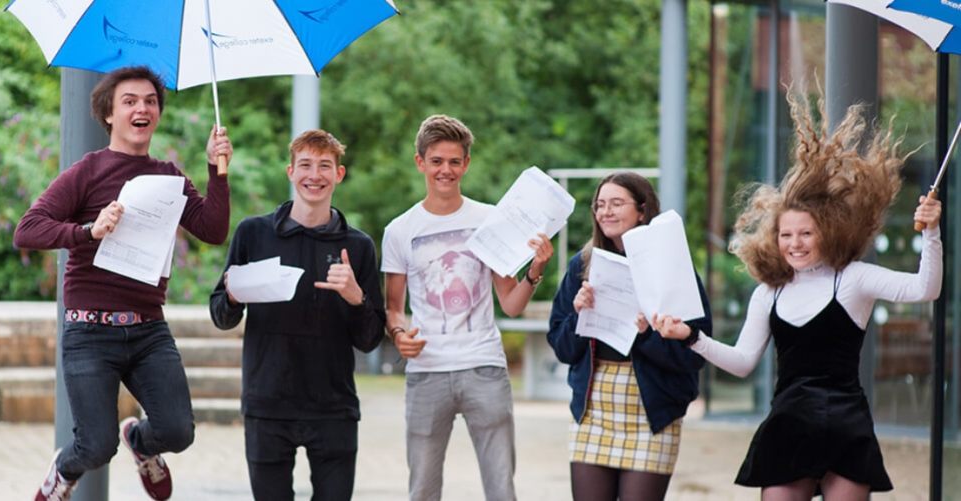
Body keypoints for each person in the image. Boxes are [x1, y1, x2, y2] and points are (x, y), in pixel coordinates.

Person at [655, 92, 943, 500]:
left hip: (847, 429)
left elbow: (924, 289)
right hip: (789, 426)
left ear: (827, 231)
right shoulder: (768, 294)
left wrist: (931, 232)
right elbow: (741, 363)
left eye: (806, 233)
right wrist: (691, 337)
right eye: (786, 235)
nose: (795, 244)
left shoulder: (853, 279)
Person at [14, 66, 232, 501]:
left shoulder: (169, 177)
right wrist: (87, 231)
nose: (142, 108)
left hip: (148, 328)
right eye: (129, 101)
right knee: (96, 445)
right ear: (108, 114)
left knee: (178, 430)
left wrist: (216, 170)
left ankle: (142, 443)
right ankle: (62, 472)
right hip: (89, 331)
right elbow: (28, 229)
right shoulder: (88, 171)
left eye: (150, 101)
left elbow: (212, 229)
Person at [381, 114, 554, 501]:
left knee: (501, 488)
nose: (446, 170)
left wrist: (536, 269)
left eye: (454, 161)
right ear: (420, 162)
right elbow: (393, 307)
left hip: (484, 367)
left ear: (466, 164)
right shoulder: (399, 230)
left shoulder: (490, 219)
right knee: (422, 489)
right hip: (427, 371)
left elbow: (510, 304)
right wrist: (398, 334)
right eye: (437, 161)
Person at [209, 129, 386, 501]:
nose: (314, 175)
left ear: (339, 174)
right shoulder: (253, 234)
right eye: (305, 165)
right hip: (267, 404)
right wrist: (235, 294)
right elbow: (222, 316)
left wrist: (356, 297)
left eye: (325, 166)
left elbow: (370, 340)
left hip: (334, 408)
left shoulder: (358, 246)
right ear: (290, 172)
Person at [546, 172, 711, 501]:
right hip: (594, 409)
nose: (605, 211)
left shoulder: (672, 267)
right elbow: (562, 348)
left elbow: (695, 353)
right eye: (600, 204)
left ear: (642, 210)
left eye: (616, 203)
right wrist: (580, 314)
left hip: (651, 413)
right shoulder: (583, 265)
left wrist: (644, 336)